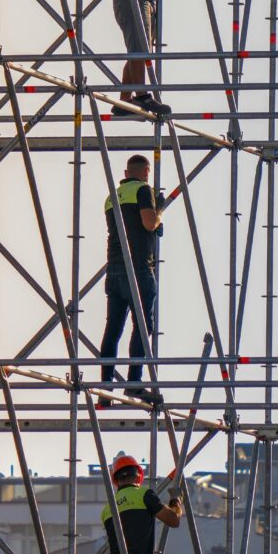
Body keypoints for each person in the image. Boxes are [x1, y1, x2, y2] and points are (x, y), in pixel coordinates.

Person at [98, 155, 166, 407]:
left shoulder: (112, 196)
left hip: (114, 269)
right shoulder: (143, 190)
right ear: (146, 172)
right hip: (137, 269)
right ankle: (134, 384)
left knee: (113, 329)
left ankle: (106, 388)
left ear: (126, 171)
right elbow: (148, 223)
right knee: (142, 327)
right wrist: (158, 213)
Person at [100, 452, 182, 554]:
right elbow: (173, 520)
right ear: (138, 475)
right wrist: (176, 501)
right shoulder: (144, 494)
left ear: (116, 480)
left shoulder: (107, 509)